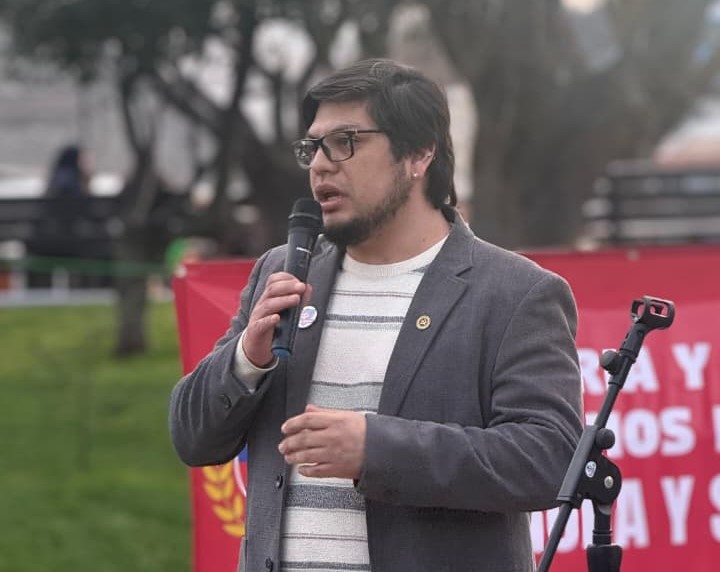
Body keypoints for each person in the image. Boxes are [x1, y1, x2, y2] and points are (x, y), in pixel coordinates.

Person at [169, 58, 584, 572]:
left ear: (419, 153)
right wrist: (245, 362)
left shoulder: (514, 293)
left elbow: (549, 458)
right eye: (313, 147)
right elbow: (192, 437)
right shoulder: (282, 271)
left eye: (345, 142)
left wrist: (376, 449)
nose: (321, 165)